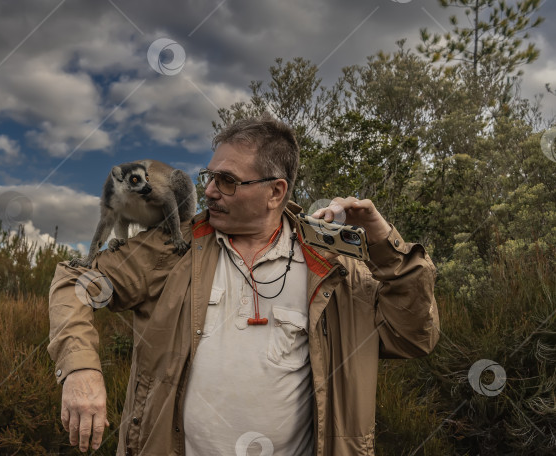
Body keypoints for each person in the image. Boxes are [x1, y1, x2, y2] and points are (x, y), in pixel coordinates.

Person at [47, 114, 439, 455]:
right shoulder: (171, 247)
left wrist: (384, 245)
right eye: (210, 177)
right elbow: (75, 280)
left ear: (275, 192)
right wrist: (80, 367)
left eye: (228, 181)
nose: (210, 191)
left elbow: (412, 337)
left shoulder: (332, 266)